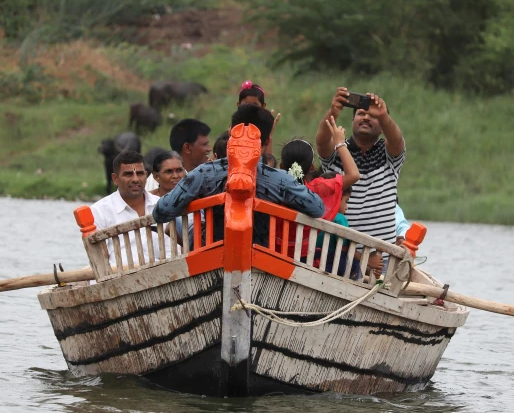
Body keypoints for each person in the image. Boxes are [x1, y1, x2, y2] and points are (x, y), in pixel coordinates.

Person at [152, 104, 324, 247]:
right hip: (260, 258)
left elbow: (161, 212)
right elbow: (317, 208)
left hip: (210, 255)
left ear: (231, 133)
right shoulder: (280, 179)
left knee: (186, 224)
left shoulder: (204, 173)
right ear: (266, 141)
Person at [316, 88, 406, 277]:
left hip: (383, 258)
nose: (366, 117)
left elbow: (397, 140)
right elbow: (322, 143)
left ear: (382, 126)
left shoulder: (389, 155)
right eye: (361, 113)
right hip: (343, 255)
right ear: (352, 121)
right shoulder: (339, 150)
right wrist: (333, 111)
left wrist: (382, 115)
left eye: (372, 116)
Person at [278, 116, 360, 257]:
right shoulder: (316, 189)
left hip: (273, 254)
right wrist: (340, 143)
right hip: (304, 258)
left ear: (281, 167)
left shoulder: (272, 186)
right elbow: (354, 175)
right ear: (311, 168)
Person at [91, 151, 175, 268]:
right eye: (128, 174)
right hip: (118, 281)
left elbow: (172, 251)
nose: (136, 179)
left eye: (140, 174)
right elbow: (101, 263)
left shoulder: (162, 205)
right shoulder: (99, 211)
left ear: (146, 175)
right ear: (115, 179)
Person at [237, 80, 279, 154]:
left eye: (254, 105)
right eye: (245, 104)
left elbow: (269, 160)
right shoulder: (234, 129)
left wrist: (268, 133)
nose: (249, 109)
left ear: (263, 106)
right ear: (238, 105)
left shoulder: (264, 130)